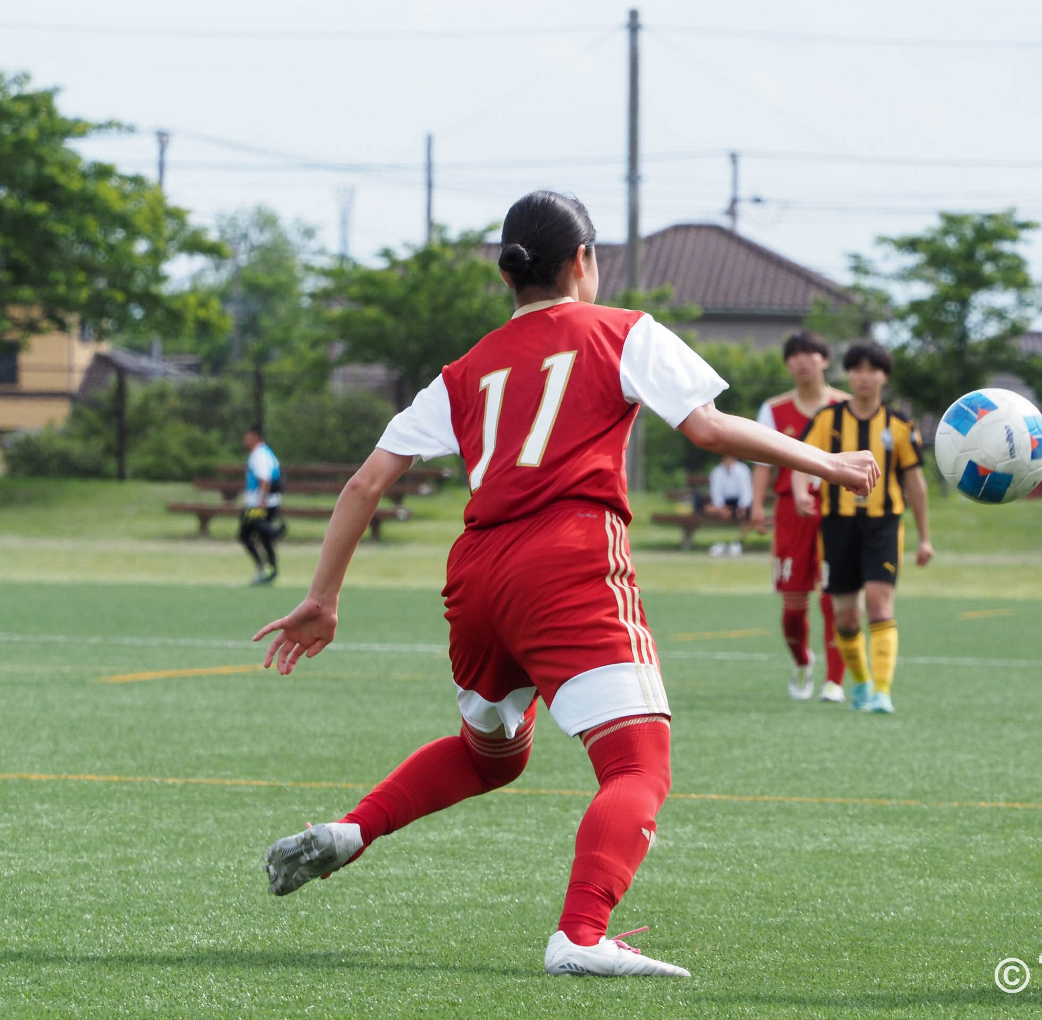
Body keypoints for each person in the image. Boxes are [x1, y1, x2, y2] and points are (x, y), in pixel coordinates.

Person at [252, 191, 879, 979]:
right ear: (584, 262)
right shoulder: (623, 331)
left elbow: (366, 483)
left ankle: (351, 831)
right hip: (569, 560)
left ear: (507, 278)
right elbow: (709, 427)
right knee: (639, 765)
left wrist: (323, 597)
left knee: (492, 759)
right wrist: (830, 462)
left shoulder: (465, 370)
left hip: (477, 577)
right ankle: (581, 934)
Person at [790, 342, 932, 715]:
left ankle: (883, 691)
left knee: (878, 604)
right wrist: (802, 491)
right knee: (846, 616)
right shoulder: (828, 420)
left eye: (873, 370)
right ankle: (862, 682)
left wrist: (925, 538)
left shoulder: (900, 426)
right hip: (837, 525)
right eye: (857, 369)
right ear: (849, 375)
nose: (865, 377)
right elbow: (801, 460)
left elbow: (916, 484)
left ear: (884, 377)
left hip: (883, 525)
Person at [750, 331, 851, 701]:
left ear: (825, 360)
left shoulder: (847, 406)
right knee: (794, 606)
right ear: (788, 364)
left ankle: (835, 681)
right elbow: (762, 461)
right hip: (791, 515)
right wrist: (757, 504)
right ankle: (802, 660)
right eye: (794, 355)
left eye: (811, 353)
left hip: (837, 512)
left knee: (834, 597)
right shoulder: (773, 409)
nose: (803, 360)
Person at [239, 424, 284, 585]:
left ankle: (274, 532)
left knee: (246, 532)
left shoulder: (260, 454)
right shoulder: (262, 453)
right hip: (262, 502)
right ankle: (270, 570)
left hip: (260, 504)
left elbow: (264, 479)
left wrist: (262, 501)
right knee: (262, 537)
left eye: (247, 436)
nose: (245, 440)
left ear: (255, 436)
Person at [705, 454, 755, 556]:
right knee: (711, 510)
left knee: (748, 513)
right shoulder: (717, 472)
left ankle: (739, 542)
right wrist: (721, 508)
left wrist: (742, 506)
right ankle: (720, 542)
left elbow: (746, 491)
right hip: (725, 502)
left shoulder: (742, 470)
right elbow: (716, 492)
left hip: (739, 501)